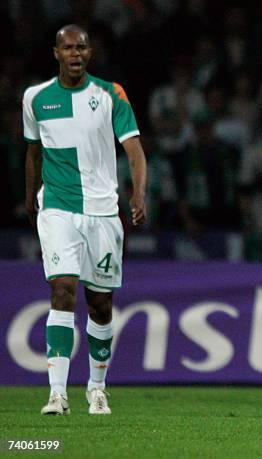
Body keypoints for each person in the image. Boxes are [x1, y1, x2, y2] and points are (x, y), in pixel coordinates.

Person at [23, 25, 147, 415]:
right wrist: (30, 200)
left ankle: (97, 386)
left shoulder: (111, 94)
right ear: (55, 52)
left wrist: (138, 192)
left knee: (100, 305)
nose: (75, 53)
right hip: (58, 208)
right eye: (67, 48)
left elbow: (135, 149)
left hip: (103, 213)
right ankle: (56, 393)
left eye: (81, 47)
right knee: (62, 291)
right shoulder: (35, 98)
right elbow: (32, 152)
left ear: (90, 53)